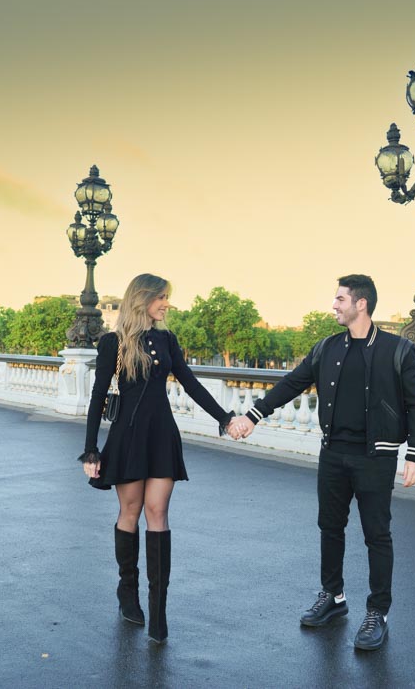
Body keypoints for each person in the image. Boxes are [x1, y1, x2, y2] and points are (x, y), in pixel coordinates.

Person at [229, 274, 415, 651]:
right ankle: (333, 597)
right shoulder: (327, 348)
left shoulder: (397, 350)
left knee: (377, 534)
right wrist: (253, 415)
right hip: (333, 453)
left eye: (340, 299)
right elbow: (292, 383)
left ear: (361, 304)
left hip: (376, 456)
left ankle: (378, 612)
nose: (334, 305)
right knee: (330, 527)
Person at [80, 273, 238, 645]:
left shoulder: (168, 340)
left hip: (162, 436)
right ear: (143, 299)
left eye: (167, 298)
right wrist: (91, 449)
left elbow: (190, 382)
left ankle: (158, 609)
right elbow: (98, 395)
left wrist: (224, 418)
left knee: (158, 512)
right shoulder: (114, 343)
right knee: (130, 511)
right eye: (161, 298)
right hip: (128, 438)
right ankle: (128, 591)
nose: (166, 304)